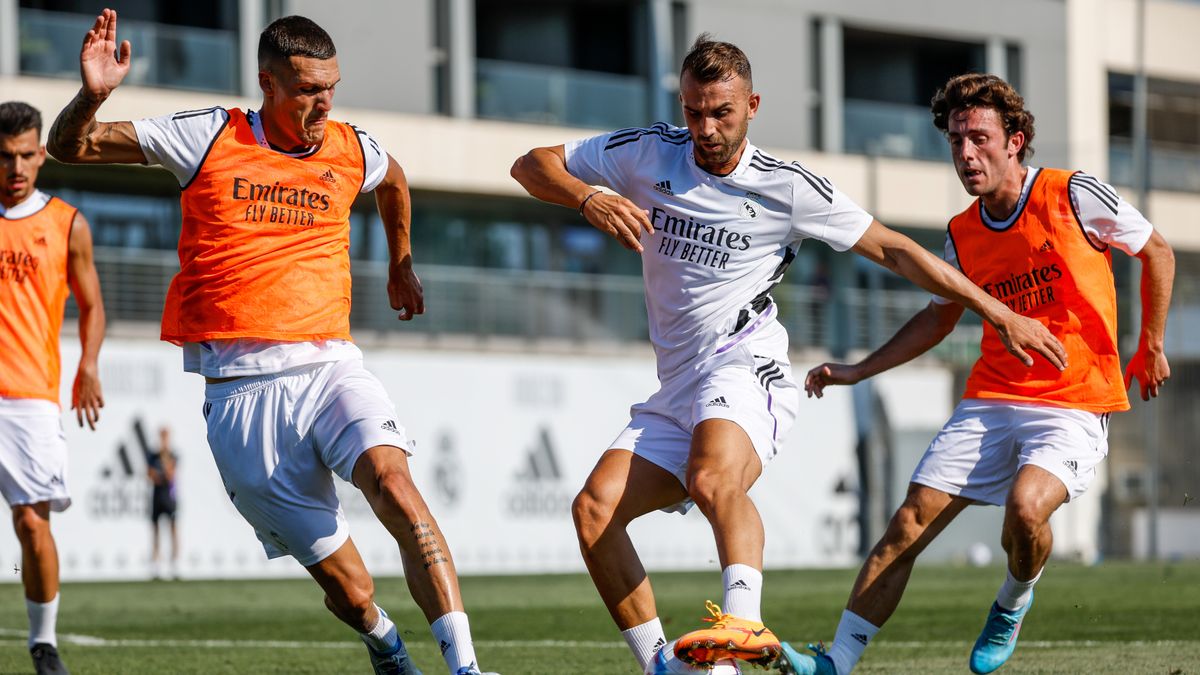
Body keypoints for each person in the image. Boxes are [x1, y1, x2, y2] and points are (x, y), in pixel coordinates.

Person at [510, 36, 1064, 674]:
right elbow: (531, 164)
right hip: (677, 384)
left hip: (748, 364)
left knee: (713, 477)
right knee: (594, 512)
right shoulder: (647, 150)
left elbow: (896, 251)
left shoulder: (788, 187)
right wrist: (587, 194)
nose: (706, 128)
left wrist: (998, 311)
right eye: (693, 111)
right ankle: (663, 665)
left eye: (721, 111)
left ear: (752, 105)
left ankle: (742, 624)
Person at [48, 11, 497, 675]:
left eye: (331, 87)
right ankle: (383, 642)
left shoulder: (349, 146)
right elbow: (71, 148)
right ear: (268, 83)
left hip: (331, 367)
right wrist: (92, 95)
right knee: (353, 593)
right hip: (242, 398)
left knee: (397, 487)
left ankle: (465, 667)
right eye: (308, 90)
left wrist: (401, 260)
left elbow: (395, 178)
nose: (323, 103)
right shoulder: (207, 135)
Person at [788, 73, 1175, 675]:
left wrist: (1150, 345)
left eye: (979, 138)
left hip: (1074, 403)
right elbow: (936, 320)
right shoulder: (961, 235)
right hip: (992, 399)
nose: (966, 154)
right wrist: (861, 370)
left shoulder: (1072, 194)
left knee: (1025, 509)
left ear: (1015, 140)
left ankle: (1013, 600)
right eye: (955, 141)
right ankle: (835, 660)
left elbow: (1157, 251)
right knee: (908, 523)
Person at [0, 100, 106, 675]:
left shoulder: (68, 223)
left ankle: (43, 645)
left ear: (41, 154)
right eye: (3, 157)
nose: (15, 168)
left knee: (32, 522)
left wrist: (88, 364)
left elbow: (91, 306)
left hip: (29, 398)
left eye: (24, 156)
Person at [147, 426, 179, 580]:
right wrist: (159, 474)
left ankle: (174, 564)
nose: (163, 439)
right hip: (157, 497)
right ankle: (156, 565)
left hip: (169, 498)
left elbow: (170, 475)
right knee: (156, 531)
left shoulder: (173, 455)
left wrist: (164, 463)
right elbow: (151, 475)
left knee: (173, 530)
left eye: (166, 436)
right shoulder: (153, 455)